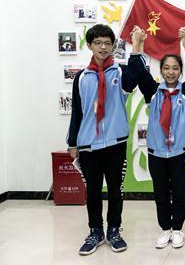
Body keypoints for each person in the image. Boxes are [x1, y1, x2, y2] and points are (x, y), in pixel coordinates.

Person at [66, 24, 137, 255]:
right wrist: (72, 142)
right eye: (98, 43)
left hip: (116, 142)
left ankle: (114, 230)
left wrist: (137, 46)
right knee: (93, 192)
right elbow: (77, 112)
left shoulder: (121, 73)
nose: (103, 47)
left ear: (113, 46)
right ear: (89, 45)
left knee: (116, 190)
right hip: (88, 144)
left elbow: (135, 80)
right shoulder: (81, 78)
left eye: (107, 43)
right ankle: (95, 231)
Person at [128, 25, 185, 249]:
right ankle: (165, 228)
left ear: (180, 71)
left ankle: (177, 228)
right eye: (166, 68)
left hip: (179, 153)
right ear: (161, 70)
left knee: (179, 193)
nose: (170, 72)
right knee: (160, 193)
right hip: (157, 152)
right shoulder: (153, 92)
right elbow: (140, 73)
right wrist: (137, 45)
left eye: (175, 68)